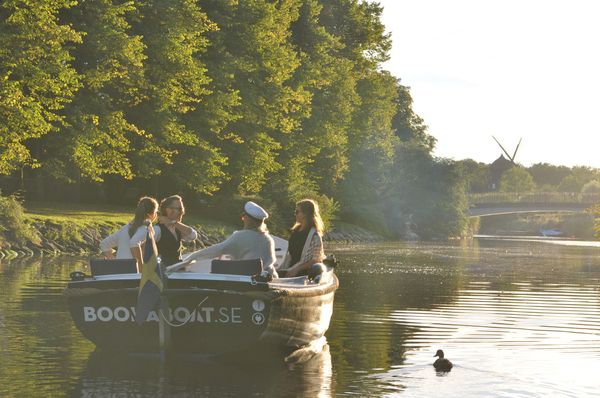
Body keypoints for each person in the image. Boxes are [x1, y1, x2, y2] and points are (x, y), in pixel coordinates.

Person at [184, 201, 278, 277]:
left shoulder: (240, 236)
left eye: (243, 217)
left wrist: (189, 258)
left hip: (249, 281)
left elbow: (216, 250)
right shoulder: (268, 239)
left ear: (246, 218)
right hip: (271, 278)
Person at [100, 196, 158, 271]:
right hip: (132, 275)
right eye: (156, 212)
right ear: (152, 214)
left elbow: (104, 244)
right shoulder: (145, 229)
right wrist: (141, 270)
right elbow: (134, 243)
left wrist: (114, 263)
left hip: (119, 272)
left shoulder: (125, 228)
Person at [277, 199, 325, 277]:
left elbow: (315, 260)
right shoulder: (295, 232)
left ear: (305, 214)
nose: (295, 214)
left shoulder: (314, 236)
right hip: (289, 268)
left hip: (303, 273)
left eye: (297, 212)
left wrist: (296, 269)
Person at [153, 195, 198, 267]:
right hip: (163, 272)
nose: (182, 212)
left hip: (176, 270)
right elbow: (146, 249)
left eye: (182, 209)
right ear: (168, 210)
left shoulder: (178, 228)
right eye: (179, 209)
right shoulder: (157, 229)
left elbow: (193, 236)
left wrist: (174, 223)